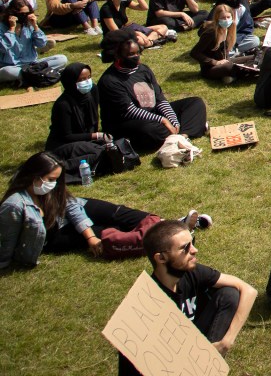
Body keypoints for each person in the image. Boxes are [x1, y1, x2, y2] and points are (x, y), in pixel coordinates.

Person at [0, 152, 205, 270]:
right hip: (56, 233)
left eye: (57, 180)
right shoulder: (14, 205)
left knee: (119, 213)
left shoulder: (52, 190)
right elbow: (7, 241)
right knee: (110, 233)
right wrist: (90, 237)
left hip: (73, 211)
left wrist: (86, 232)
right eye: (51, 180)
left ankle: (175, 225)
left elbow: (70, 205)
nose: (53, 185)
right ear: (34, 176)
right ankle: (167, 240)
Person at [117, 219, 255, 375]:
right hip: (166, 363)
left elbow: (248, 290)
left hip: (190, 346)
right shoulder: (146, 308)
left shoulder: (191, 273)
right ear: (161, 258)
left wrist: (226, 341)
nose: (195, 250)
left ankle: (209, 365)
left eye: (192, 242)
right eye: (185, 248)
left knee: (229, 294)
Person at [98, 39, 207, 150]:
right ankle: (185, 130)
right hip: (128, 121)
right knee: (148, 130)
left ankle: (181, 136)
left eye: (137, 53)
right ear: (118, 56)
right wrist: (163, 120)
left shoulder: (143, 69)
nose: (136, 56)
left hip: (153, 113)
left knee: (195, 103)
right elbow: (130, 111)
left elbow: (160, 99)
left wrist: (173, 120)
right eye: (131, 54)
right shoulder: (110, 81)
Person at [0, 0, 67, 85]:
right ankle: (41, 74)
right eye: (22, 14)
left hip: (32, 64)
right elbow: (3, 48)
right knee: (7, 72)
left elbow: (41, 43)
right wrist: (12, 29)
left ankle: (27, 77)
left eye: (27, 13)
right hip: (11, 66)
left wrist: (35, 26)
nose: (25, 16)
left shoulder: (29, 25)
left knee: (62, 59)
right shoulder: (1, 28)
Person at [190, 5, 259, 83]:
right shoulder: (211, 33)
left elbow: (226, 54)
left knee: (255, 57)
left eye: (228, 17)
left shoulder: (229, 29)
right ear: (217, 18)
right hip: (210, 68)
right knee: (229, 67)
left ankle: (236, 75)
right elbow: (194, 53)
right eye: (223, 18)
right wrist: (215, 62)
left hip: (225, 61)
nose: (226, 20)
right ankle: (248, 73)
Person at [100, 0, 170, 48]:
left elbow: (144, 7)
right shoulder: (106, 9)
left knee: (163, 27)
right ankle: (154, 41)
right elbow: (115, 31)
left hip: (126, 30)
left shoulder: (123, 2)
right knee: (139, 39)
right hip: (116, 36)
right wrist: (136, 33)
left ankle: (148, 41)